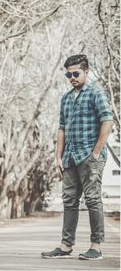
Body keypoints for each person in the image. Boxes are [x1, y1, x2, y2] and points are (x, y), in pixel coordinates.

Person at [41, 54, 114, 260]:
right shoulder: (65, 98)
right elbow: (62, 129)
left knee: (92, 199)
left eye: (76, 73)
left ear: (86, 72)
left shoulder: (95, 93)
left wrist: (96, 152)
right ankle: (65, 246)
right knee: (69, 201)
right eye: (68, 74)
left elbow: (107, 121)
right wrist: (58, 157)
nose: (72, 77)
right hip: (70, 158)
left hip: (90, 156)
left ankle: (96, 247)